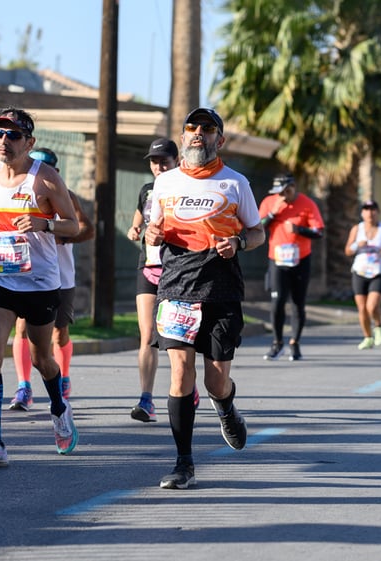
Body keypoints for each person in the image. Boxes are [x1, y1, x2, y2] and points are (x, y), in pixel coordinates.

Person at [144, 107, 265, 489]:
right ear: (183, 138)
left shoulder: (235, 183)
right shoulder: (165, 183)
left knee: (214, 382)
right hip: (177, 287)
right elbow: (155, 229)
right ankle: (183, 463)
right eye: (191, 128)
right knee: (180, 373)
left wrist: (240, 242)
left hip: (221, 290)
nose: (198, 133)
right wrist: (152, 235)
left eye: (207, 128)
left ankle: (226, 405)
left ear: (220, 139)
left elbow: (258, 232)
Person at [0, 107, 81, 468]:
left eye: (13, 135)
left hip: (41, 282)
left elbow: (73, 226)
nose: (3, 140)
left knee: (43, 358)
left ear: (29, 142)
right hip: (1, 274)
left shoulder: (44, 178)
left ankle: (59, 411)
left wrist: (43, 224)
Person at [8, 147, 95, 411]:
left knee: (59, 333)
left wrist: (58, 234)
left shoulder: (65, 195)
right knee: (22, 328)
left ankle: (63, 377)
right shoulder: (18, 193)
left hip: (61, 276)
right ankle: (24, 387)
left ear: (54, 171)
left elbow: (85, 229)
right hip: (28, 272)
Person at [125, 137, 182, 421]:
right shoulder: (147, 190)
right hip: (148, 267)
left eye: (165, 161)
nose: (159, 167)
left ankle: (186, 387)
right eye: (154, 161)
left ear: (177, 162)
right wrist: (134, 230)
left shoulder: (185, 188)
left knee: (176, 338)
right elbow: (138, 219)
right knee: (147, 335)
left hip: (178, 270)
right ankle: (146, 399)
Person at [257, 173, 325, 360]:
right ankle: (277, 343)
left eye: (286, 191)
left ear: (293, 187)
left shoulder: (307, 203)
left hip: (301, 260)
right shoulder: (270, 202)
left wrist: (299, 230)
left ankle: (295, 343)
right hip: (277, 260)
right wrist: (273, 213)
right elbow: (257, 227)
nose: (283, 196)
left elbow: (318, 232)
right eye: (279, 192)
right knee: (277, 302)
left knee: (297, 303)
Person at [344, 200, 381, 350]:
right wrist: (356, 245)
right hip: (360, 271)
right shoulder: (357, 229)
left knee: (372, 306)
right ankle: (368, 337)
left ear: (377, 212)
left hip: (378, 271)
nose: (370, 213)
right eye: (366, 210)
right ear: (362, 213)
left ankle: (379, 327)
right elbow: (348, 250)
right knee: (362, 309)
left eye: (373, 209)